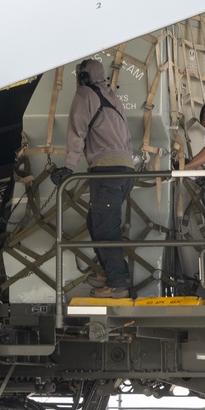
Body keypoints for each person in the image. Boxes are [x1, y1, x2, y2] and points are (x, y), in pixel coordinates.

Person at [50, 59, 134, 299]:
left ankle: (117, 285)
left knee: (105, 226)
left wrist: (68, 166)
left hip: (107, 171)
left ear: (84, 77)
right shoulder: (113, 98)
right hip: (126, 170)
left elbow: (77, 130)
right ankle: (114, 273)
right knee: (96, 221)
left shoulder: (84, 94)